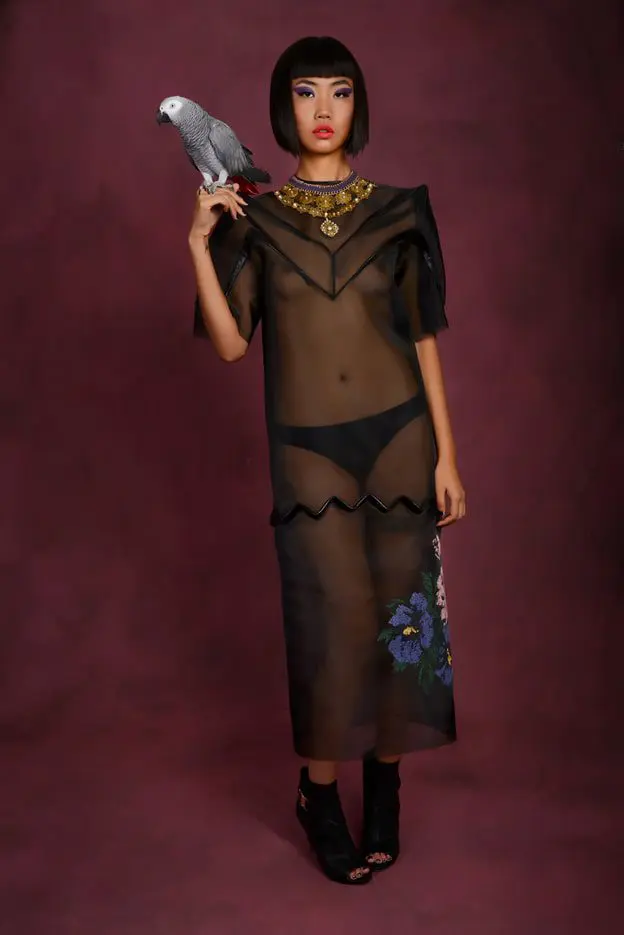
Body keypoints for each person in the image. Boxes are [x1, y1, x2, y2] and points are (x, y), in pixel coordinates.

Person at [187, 36, 466, 886]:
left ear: (357, 105)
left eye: (338, 92)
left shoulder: (401, 211)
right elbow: (230, 346)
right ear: (284, 107)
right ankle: (317, 792)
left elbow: (422, 338)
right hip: (309, 447)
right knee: (334, 621)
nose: (321, 109)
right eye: (305, 92)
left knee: (401, 621)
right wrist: (198, 244)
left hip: (402, 438)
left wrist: (449, 455)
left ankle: (384, 785)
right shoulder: (256, 219)